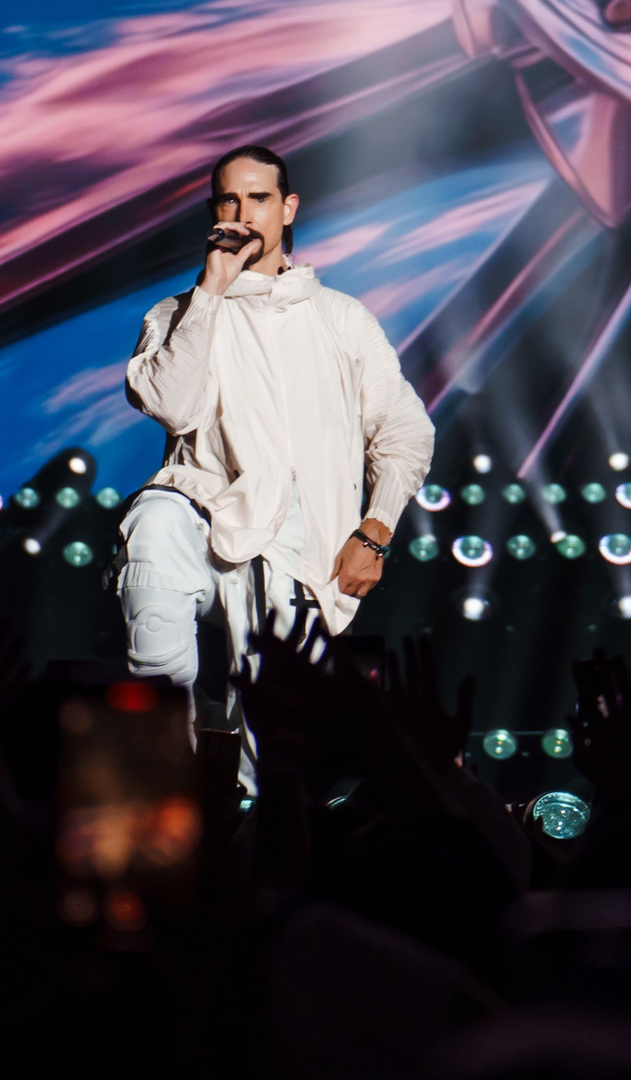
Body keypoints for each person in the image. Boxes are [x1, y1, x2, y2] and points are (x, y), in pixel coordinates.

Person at [114, 144, 434, 763]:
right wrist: (211, 289)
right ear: (214, 214)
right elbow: (173, 407)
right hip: (205, 522)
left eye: (259, 199)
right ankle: (165, 763)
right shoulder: (175, 314)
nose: (244, 214)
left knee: (275, 750)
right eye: (229, 200)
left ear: (287, 209)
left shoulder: (341, 318)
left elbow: (404, 430)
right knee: (153, 523)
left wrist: (375, 531)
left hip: (302, 549)